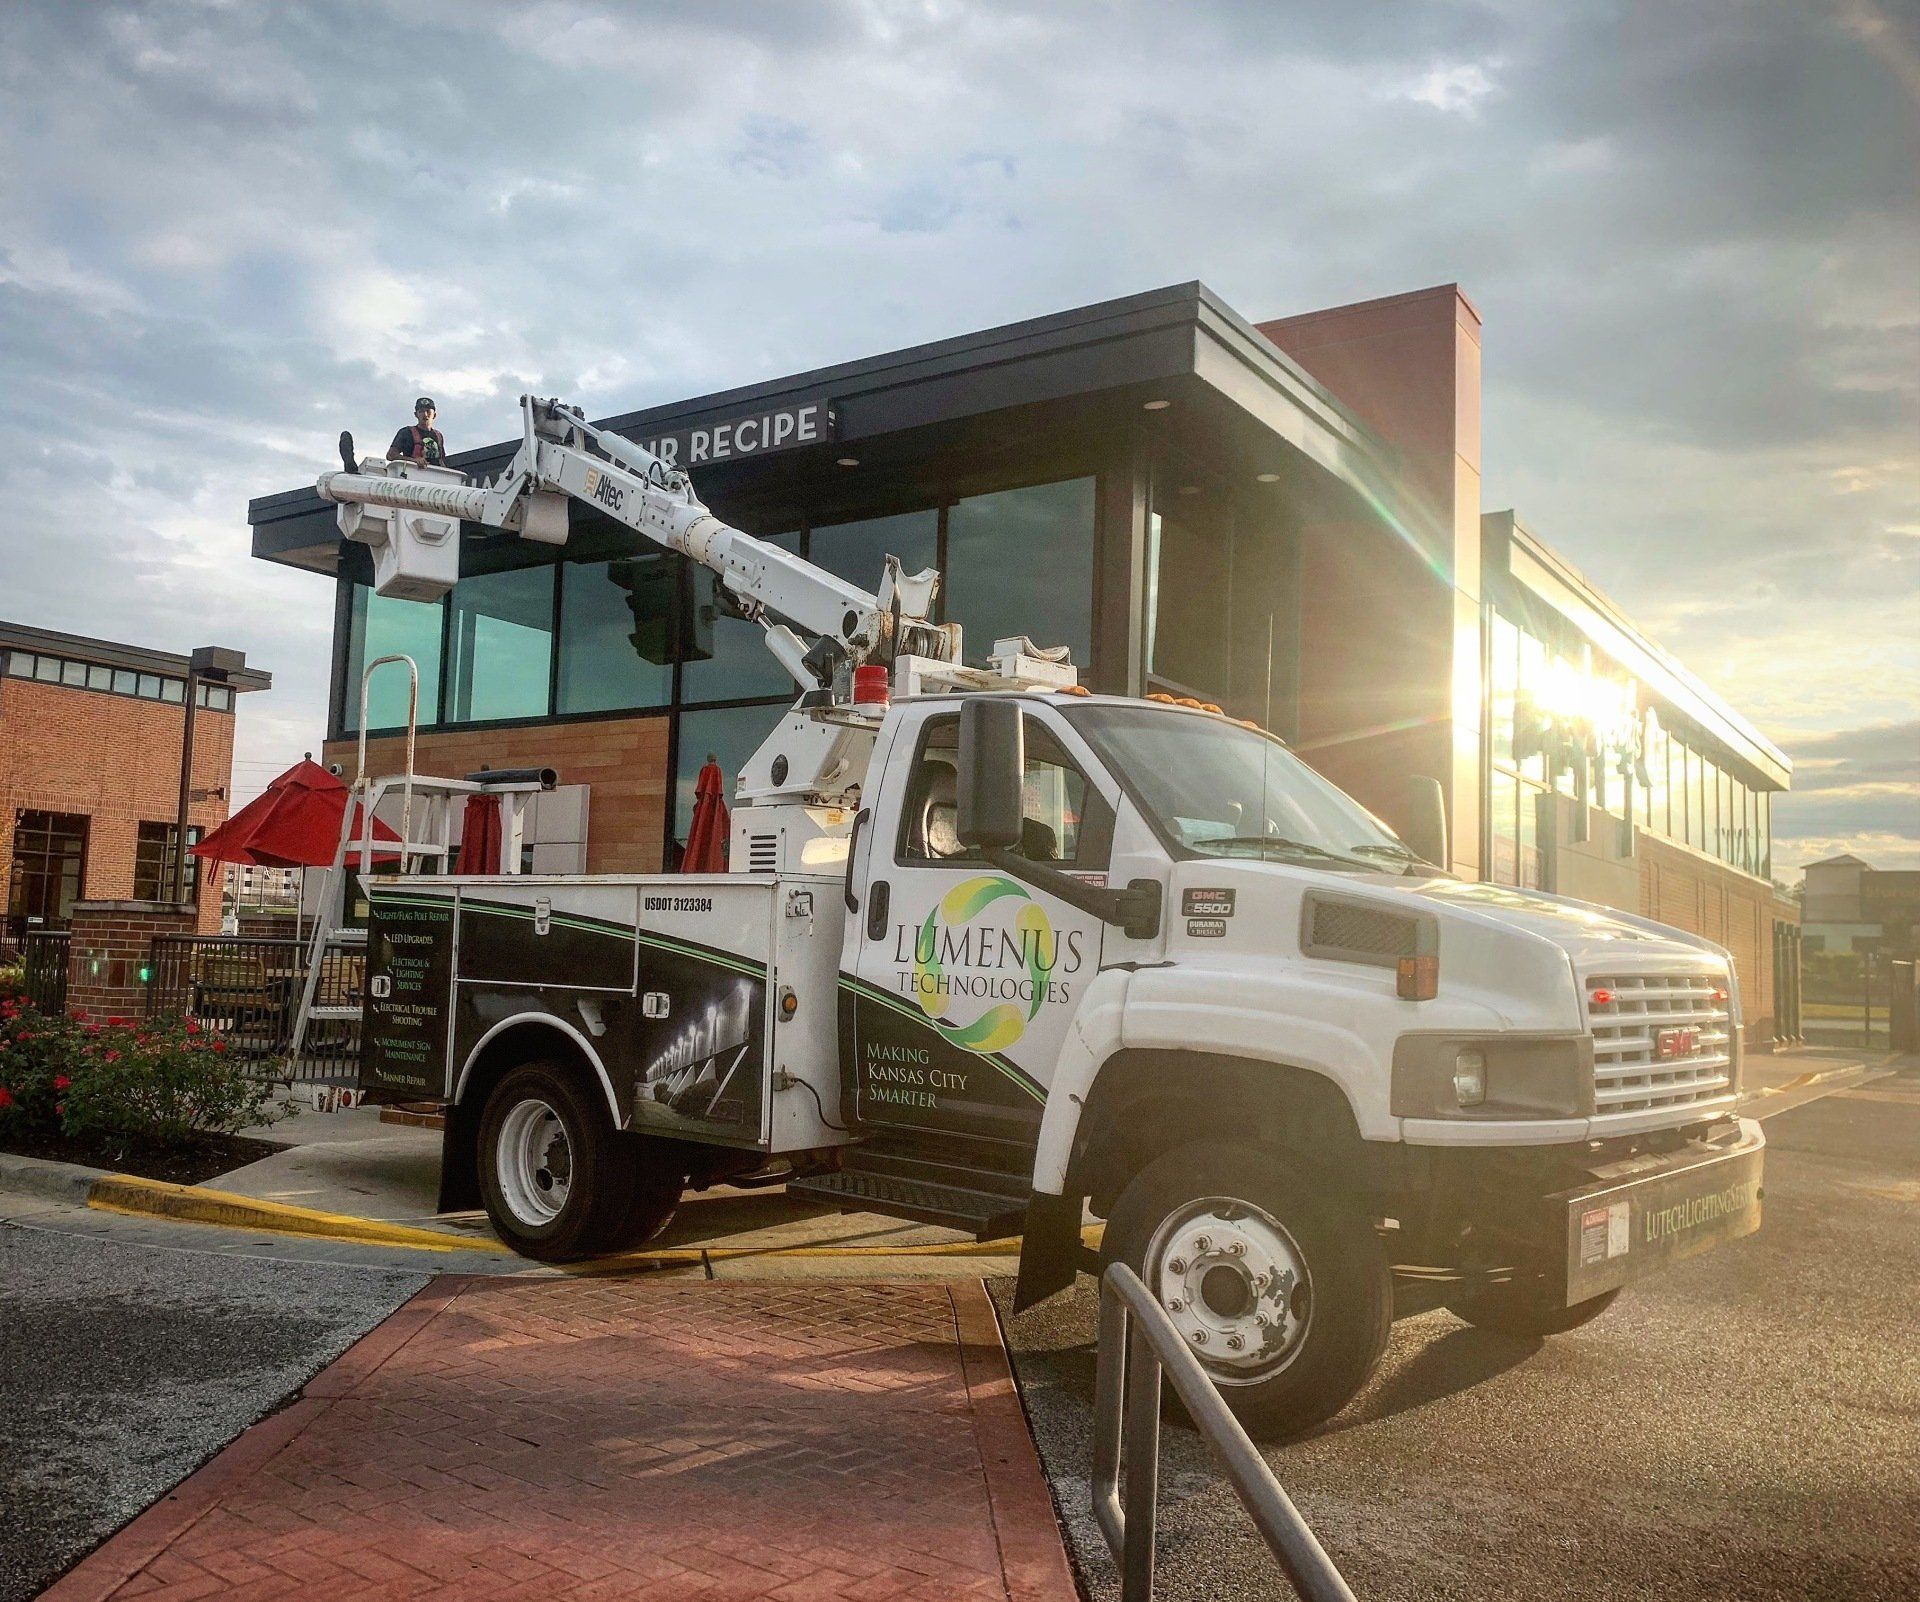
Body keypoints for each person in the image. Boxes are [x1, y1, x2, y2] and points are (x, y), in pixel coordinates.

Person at [387, 396, 448, 466]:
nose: (425, 415)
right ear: (416, 414)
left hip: (435, 474)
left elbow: (442, 460)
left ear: (434, 415)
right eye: (421, 411)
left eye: (428, 411)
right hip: (413, 473)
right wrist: (414, 461)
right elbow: (391, 455)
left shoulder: (438, 435)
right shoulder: (406, 432)